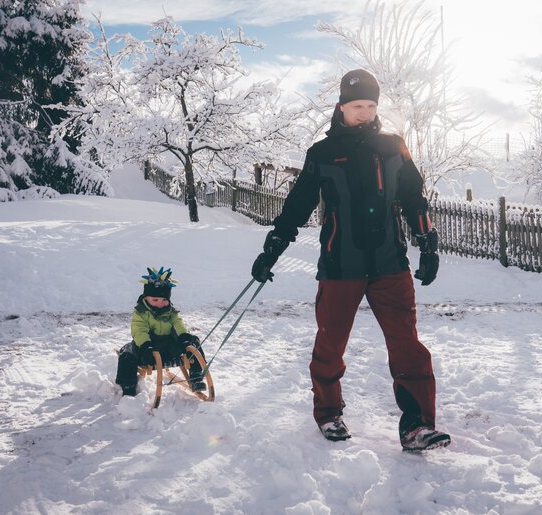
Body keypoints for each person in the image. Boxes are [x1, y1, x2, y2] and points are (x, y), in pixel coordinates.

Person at [251, 69, 450, 451]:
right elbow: (297, 207)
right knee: (330, 344)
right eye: (358, 105)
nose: (365, 112)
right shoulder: (322, 154)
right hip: (340, 265)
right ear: (342, 105)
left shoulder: (394, 146)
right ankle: (329, 414)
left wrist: (428, 243)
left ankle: (417, 426)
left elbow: (414, 199)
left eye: (371, 105)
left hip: (390, 264)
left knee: (407, 345)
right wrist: (272, 248)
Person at [115, 266, 206, 397]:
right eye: (155, 300)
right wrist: (146, 346)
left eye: (164, 300)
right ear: (146, 298)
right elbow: (139, 330)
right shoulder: (141, 313)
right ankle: (128, 387)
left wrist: (184, 337)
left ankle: (196, 375)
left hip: (169, 349)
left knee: (193, 341)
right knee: (126, 355)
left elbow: (178, 324)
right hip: (148, 351)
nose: (160, 303)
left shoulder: (171, 312)